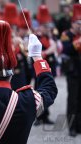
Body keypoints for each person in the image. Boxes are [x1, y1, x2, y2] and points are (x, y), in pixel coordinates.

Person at [34, 5, 57, 125]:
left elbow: (55, 47)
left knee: (48, 91)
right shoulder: (37, 38)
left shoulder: (49, 37)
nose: (47, 28)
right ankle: (39, 117)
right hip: (40, 68)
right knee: (39, 92)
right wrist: (49, 51)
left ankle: (46, 116)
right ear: (40, 27)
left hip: (49, 66)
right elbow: (42, 53)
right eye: (45, 26)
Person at [61, 4, 81, 137]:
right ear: (72, 23)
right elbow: (67, 49)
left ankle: (79, 125)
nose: (80, 26)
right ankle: (72, 127)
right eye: (78, 23)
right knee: (72, 100)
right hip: (72, 71)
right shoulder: (65, 34)